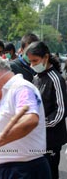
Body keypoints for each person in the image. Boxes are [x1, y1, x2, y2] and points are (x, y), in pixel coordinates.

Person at [26, 41, 67, 179]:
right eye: (30, 61)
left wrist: (41, 123)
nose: (32, 65)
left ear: (46, 57)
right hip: (38, 137)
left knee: (50, 173)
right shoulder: (36, 77)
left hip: (52, 138)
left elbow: (61, 111)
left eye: (35, 61)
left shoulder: (56, 79)